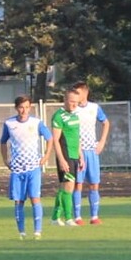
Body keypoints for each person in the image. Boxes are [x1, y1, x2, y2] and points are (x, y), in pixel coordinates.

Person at [0, 95, 52, 239]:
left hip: (33, 168)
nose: (24, 110)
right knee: (19, 201)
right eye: (21, 107)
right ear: (16, 108)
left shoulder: (36, 123)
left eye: (27, 107)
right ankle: (21, 232)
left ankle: (37, 231)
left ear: (30, 108)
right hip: (17, 169)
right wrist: (5, 160)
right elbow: (3, 142)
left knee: (35, 198)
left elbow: (50, 138)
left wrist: (46, 156)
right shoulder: (9, 123)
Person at [73, 81, 111, 225]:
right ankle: (77, 217)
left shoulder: (94, 108)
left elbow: (106, 123)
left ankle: (94, 216)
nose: (76, 96)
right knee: (78, 184)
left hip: (92, 151)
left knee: (94, 184)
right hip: (78, 152)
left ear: (85, 93)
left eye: (78, 93)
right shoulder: (73, 109)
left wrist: (102, 141)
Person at [50, 88, 82, 227]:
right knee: (69, 186)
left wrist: (81, 156)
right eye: (72, 101)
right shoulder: (59, 116)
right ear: (65, 100)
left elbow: (77, 137)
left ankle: (55, 218)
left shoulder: (75, 116)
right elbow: (55, 140)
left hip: (74, 155)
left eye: (77, 102)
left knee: (65, 186)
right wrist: (62, 159)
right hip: (66, 155)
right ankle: (69, 218)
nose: (74, 104)